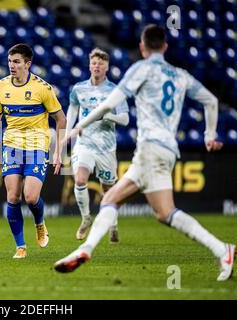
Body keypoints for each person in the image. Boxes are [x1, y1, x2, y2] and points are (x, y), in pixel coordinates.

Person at [54, 25, 236, 281]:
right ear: (165, 46)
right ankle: (222, 249)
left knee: (110, 200)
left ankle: (85, 250)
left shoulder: (141, 69)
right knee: (165, 213)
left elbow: (108, 104)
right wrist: (209, 135)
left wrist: (77, 128)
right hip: (169, 151)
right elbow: (211, 101)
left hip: (150, 148)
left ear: (142, 47)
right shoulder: (180, 74)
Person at [0, 43, 67, 259]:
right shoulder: (1, 87)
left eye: (17, 62)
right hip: (12, 145)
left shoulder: (43, 89)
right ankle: (20, 246)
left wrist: (58, 152)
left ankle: (39, 223)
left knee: (30, 197)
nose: (12, 66)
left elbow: (61, 120)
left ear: (28, 64)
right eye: (10, 61)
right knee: (12, 196)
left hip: (37, 145)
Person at [66, 48, 129, 241]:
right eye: (94, 63)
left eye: (101, 63)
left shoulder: (115, 91)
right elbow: (72, 109)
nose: (96, 66)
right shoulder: (79, 89)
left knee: (108, 189)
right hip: (85, 143)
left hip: (106, 147)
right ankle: (86, 218)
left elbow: (125, 119)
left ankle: (113, 224)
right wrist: (68, 133)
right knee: (80, 179)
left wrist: (110, 116)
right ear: (89, 65)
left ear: (107, 66)